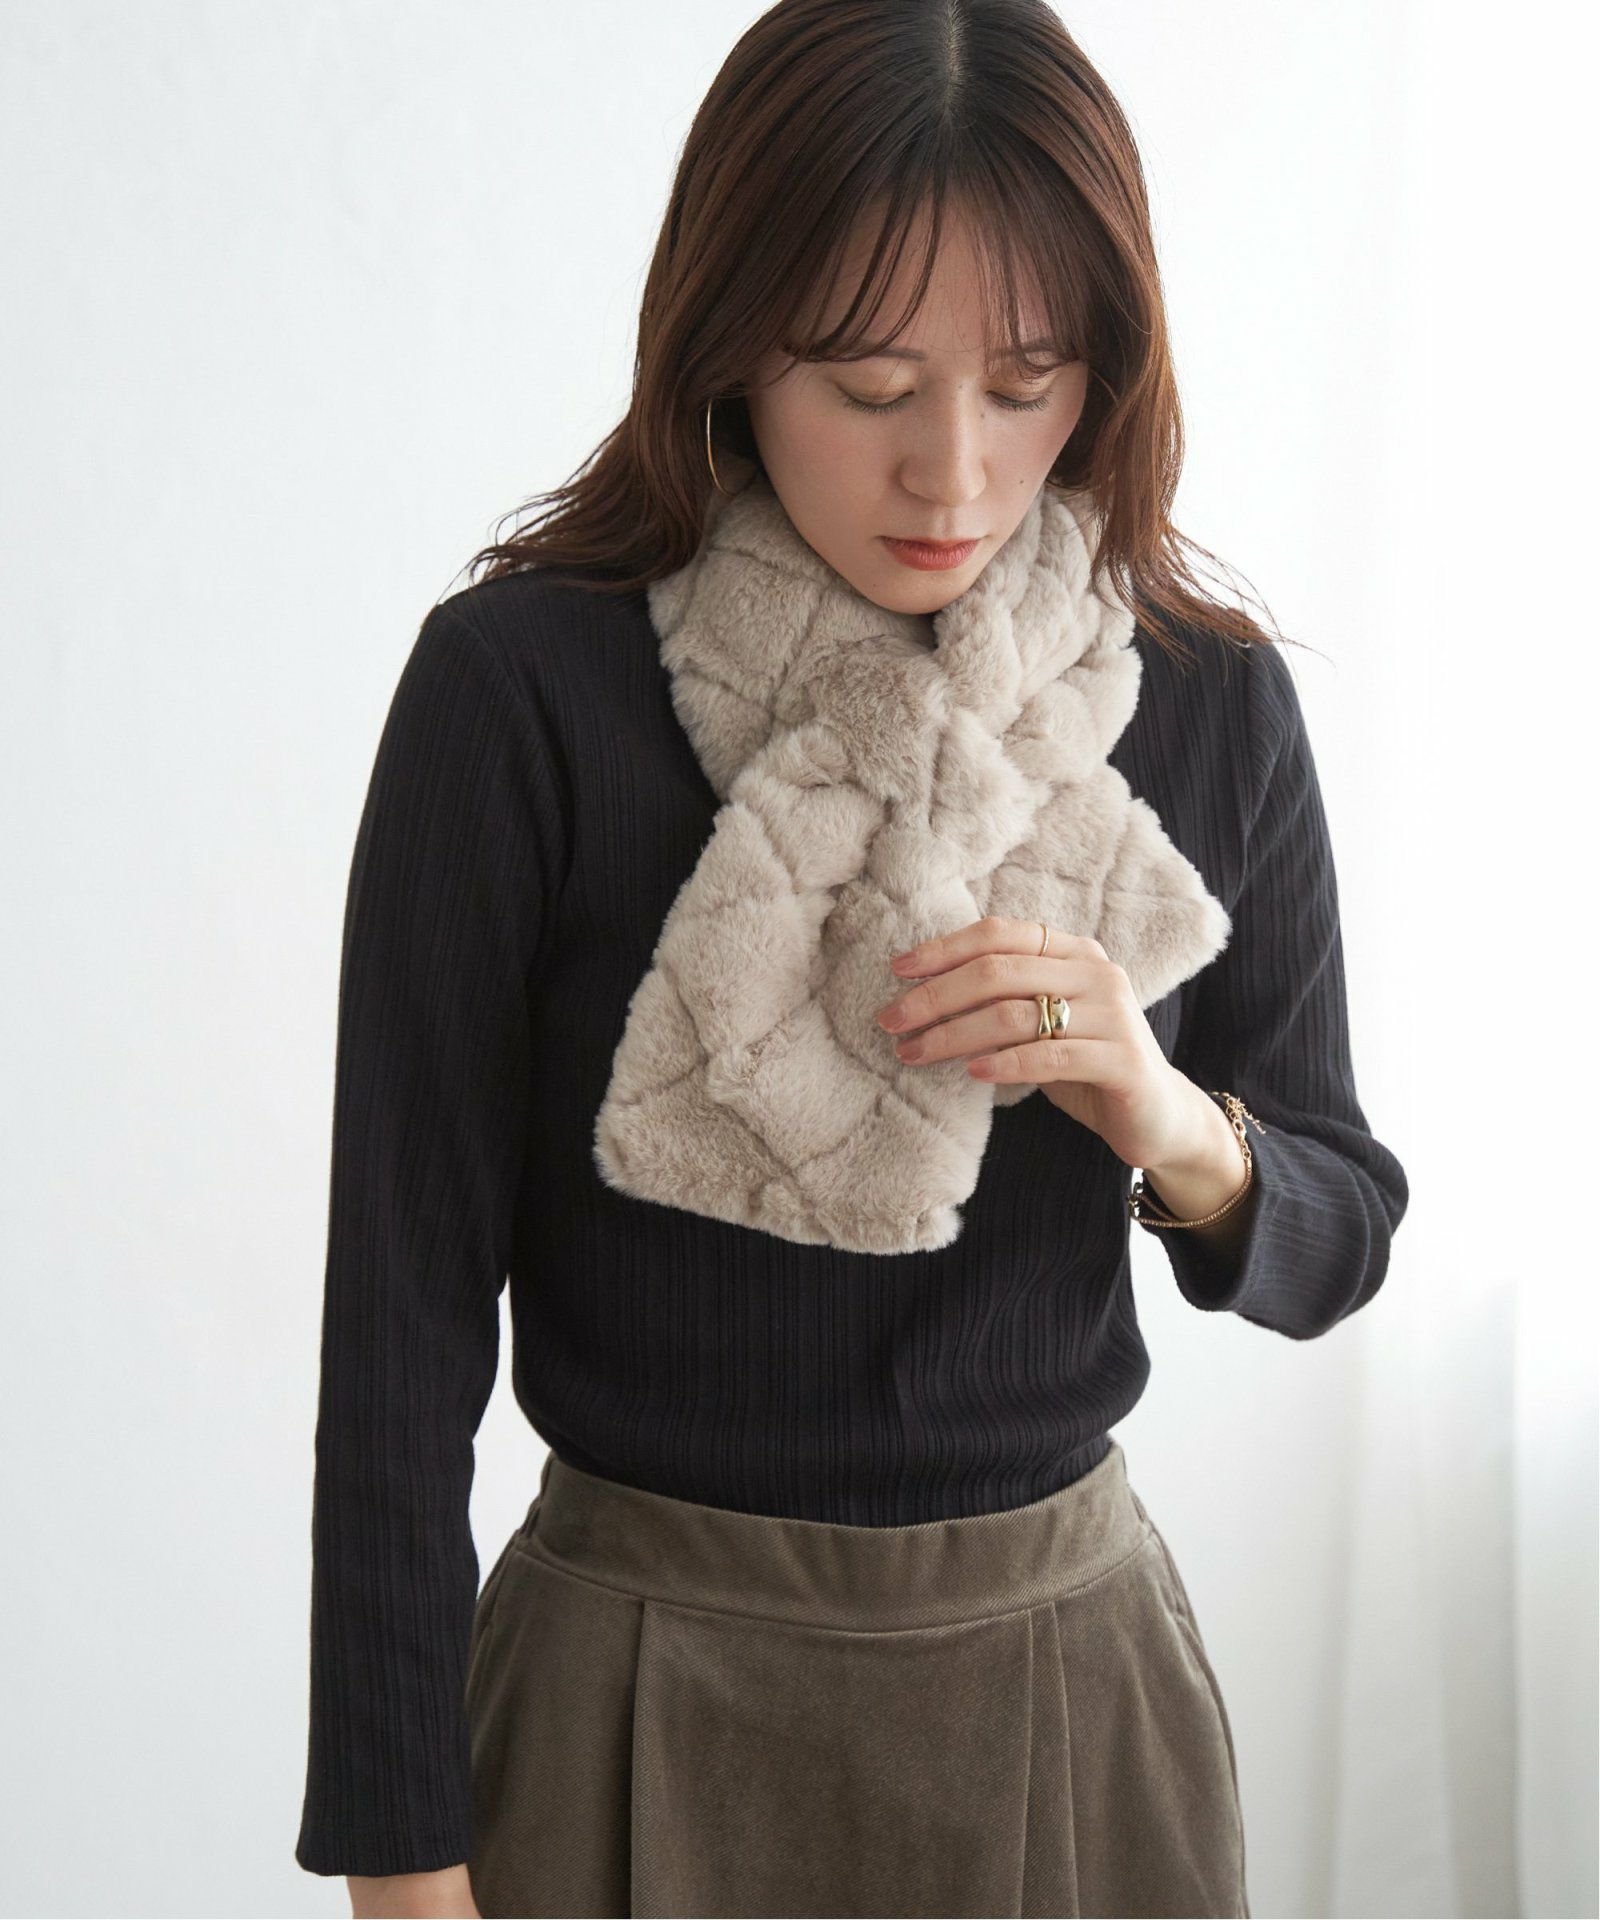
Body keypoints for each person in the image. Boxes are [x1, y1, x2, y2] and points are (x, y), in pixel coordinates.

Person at [293, 2, 1409, 1914]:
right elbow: (398, 1325)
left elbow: (1339, 1239)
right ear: (729, 347)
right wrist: (400, 1864)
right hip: (630, 1683)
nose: (954, 476)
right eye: (871, 386)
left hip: (1068, 1695)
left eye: (1028, 383)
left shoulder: (1208, 704)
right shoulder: (523, 693)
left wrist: (1156, 1108)